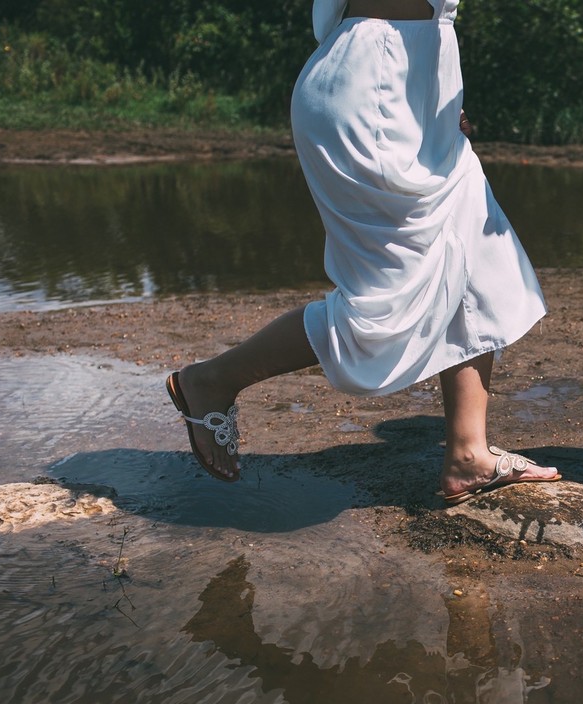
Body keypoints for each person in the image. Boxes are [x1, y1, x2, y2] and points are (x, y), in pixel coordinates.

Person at [166, 0, 560, 504]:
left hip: (411, 84)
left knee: (477, 259)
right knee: (382, 312)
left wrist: (436, 91)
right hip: (375, 91)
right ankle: (211, 380)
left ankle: (468, 454)